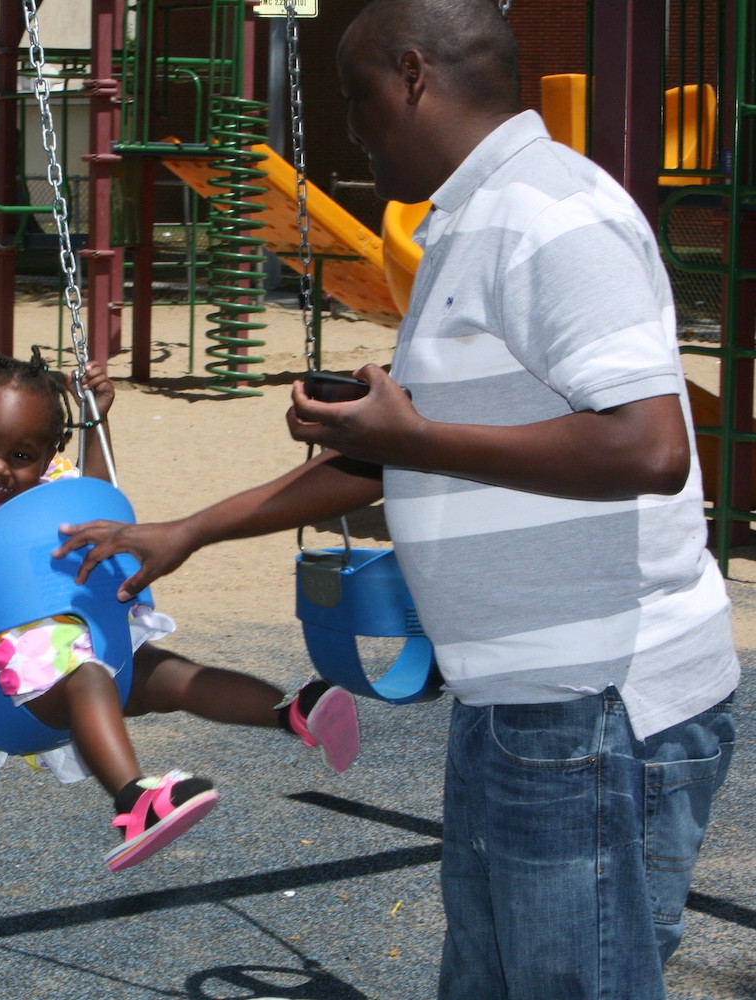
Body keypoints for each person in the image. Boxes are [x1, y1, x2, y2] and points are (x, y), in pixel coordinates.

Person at [52, 0, 738, 994]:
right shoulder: (465, 223)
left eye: (355, 96)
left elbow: (649, 446)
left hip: (592, 698)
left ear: (413, 75)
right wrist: (190, 530)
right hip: (518, 696)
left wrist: (410, 432)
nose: (351, 125)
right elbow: (400, 458)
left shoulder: (551, 212)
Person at [0, 347, 360, 873]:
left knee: (174, 676)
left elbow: (98, 499)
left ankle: (290, 712)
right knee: (91, 682)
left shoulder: (53, 498)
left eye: (22, 456)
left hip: (91, 646)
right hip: (5, 689)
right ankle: (135, 804)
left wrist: (98, 420)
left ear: (50, 456)